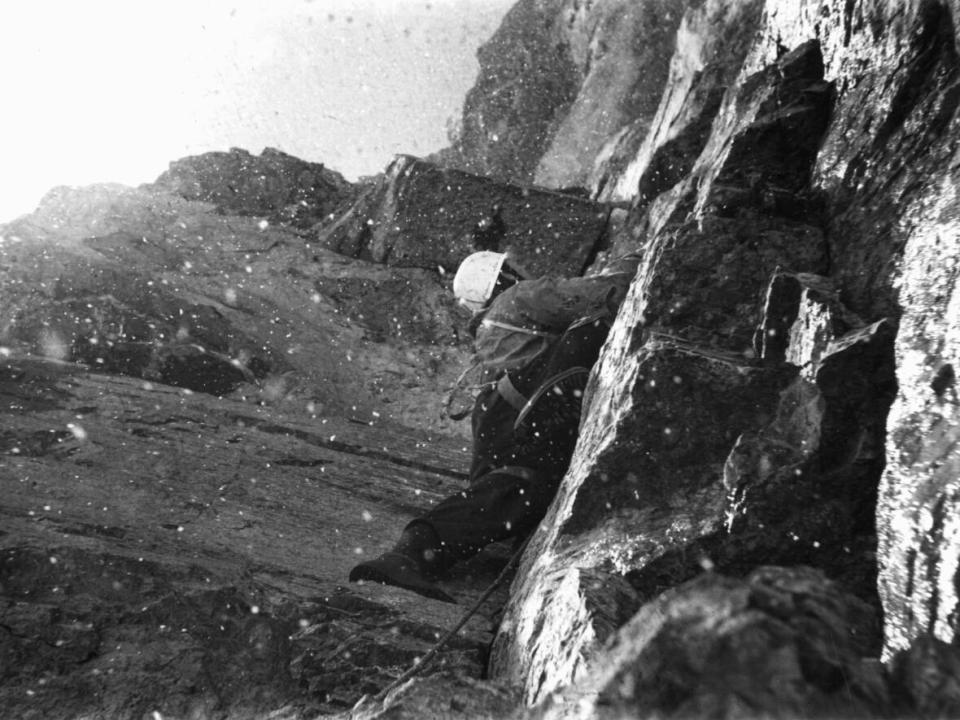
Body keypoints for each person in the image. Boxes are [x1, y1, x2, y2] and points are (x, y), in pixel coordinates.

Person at [349, 250, 639, 602]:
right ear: (502, 276)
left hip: (499, 421)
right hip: (528, 412)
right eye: (512, 267)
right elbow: (609, 291)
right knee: (590, 327)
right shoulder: (518, 296)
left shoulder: (489, 339)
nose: (522, 269)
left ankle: (413, 556)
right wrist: (639, 257)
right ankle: (413, 553)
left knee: (516, 492)